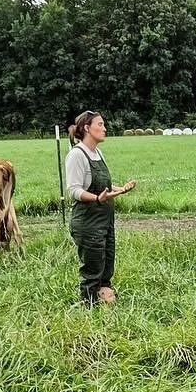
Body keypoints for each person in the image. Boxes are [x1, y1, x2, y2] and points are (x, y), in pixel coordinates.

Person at [66, 111, 137, 305]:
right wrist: (97, 198)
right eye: (100, 124)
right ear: (87, 128)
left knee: (106, 262)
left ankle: (105, 301)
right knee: (92, 267)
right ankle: (88, 306)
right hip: (87, 222)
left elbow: (102, 186)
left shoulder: (97, 153)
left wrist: (120, 189)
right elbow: (74, 190)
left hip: (104, 221)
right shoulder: (77, 155)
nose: (104, 128)